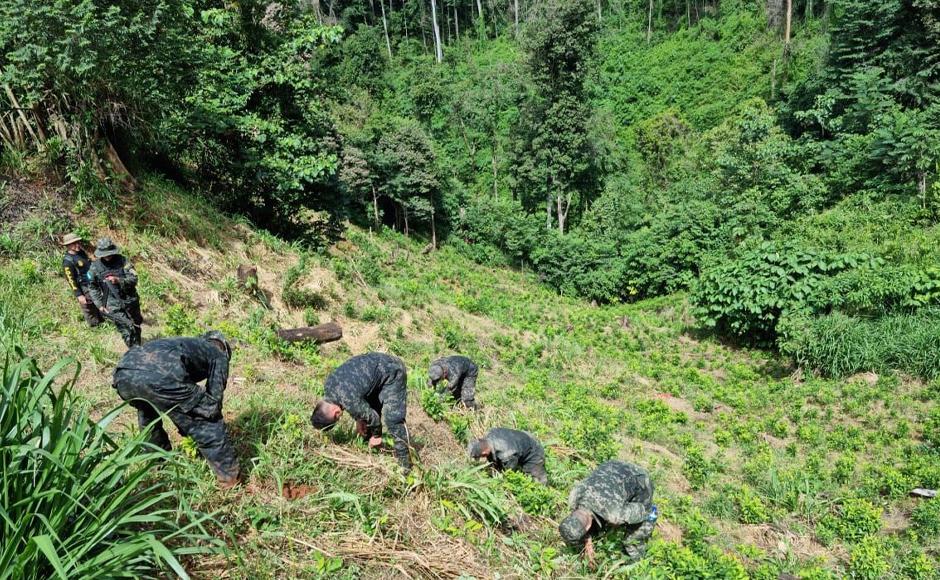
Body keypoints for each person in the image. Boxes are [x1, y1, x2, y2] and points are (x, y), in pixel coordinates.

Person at [112, 331, 240, 487]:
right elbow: (213, 402)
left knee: (148, 417)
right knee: (207, 420)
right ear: (224, 348)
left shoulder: (185, 343)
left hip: (124, 374)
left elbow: (177, 399)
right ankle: (229, 480)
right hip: (159, 375)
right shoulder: (218, 354)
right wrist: (200, 425)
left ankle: (156, 466)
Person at [310, 352, 413, 473]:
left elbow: (373, 417)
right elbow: (353, 393)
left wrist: (377, 435)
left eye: (338, 418)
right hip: (375, 367)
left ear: (336, 414)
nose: (340, 418)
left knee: (393, 420)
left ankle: (405, 465)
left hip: (392, 372)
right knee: (369, 409)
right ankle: (370, 447)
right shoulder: (329, 385)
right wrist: (359, 418)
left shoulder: (349, 401)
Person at [559, 460, 657, 565]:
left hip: (640, 479)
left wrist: (646, 512)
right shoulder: (574, 495)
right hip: (614, 465)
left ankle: (636, 566)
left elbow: (641, 510)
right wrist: (587, 540)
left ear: (587, 527)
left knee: (632, 541)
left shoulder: (614, 515)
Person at [87, 237, 143, 348]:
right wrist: (99, 304)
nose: (107, 256)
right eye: (104, 254)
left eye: (109, 253)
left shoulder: (123, 261)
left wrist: (119, 280)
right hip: (112, 303)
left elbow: (134, 279)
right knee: (125, 328)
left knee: (136, 324)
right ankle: (134, 350)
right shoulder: (95, 267)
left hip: (130, 299)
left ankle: (138, 345)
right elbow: (92, 287)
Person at [467, 427, 548, 484]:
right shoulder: (490, 434)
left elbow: (509, 474)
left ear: (484, 454)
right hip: (520, 439)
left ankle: (545, 499)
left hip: (533, 450)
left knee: (537, 481)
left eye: (480, 457)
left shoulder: (506, 455)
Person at [60, 232, 102, 327]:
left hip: (92, 282)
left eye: (78, 242)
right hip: (84, 286)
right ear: (68, 246)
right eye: (74, 243)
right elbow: (71, 280)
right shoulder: (67, 261)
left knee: (98, 301)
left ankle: (101, 321)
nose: (78, 245)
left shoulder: (81, 253)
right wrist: (79, 295)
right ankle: (94, 326)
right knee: (88, 306)